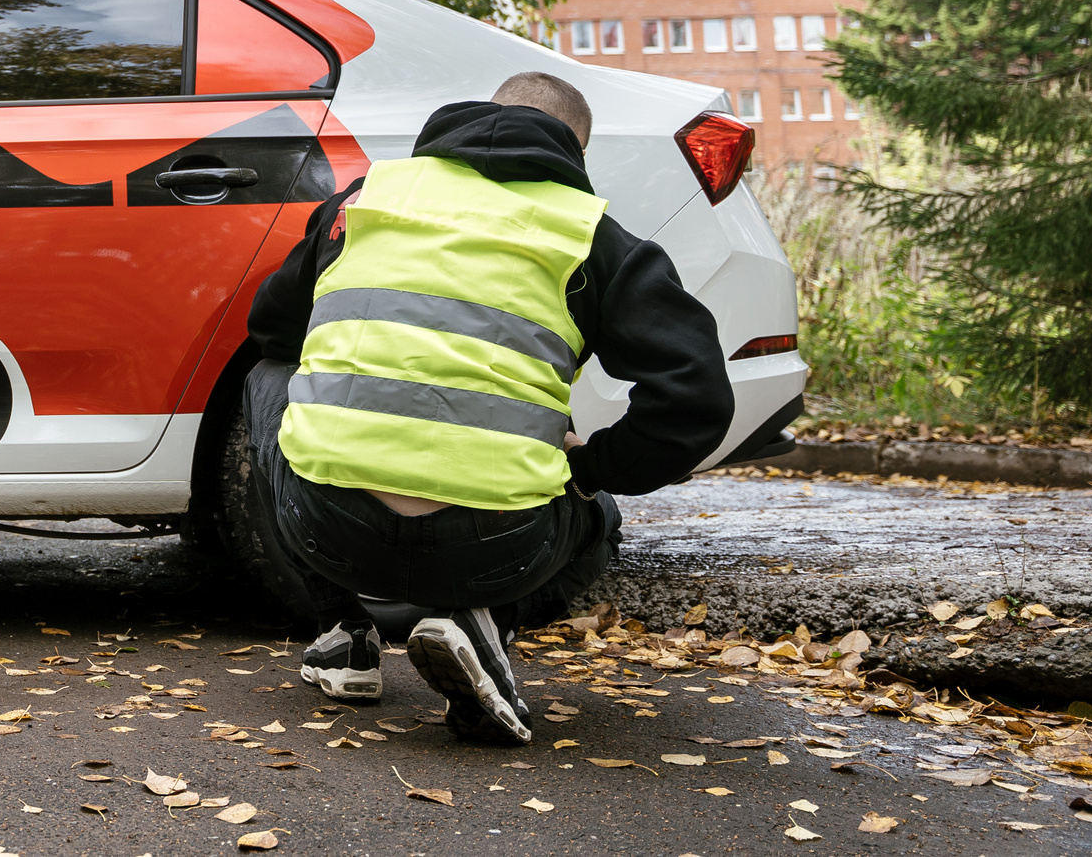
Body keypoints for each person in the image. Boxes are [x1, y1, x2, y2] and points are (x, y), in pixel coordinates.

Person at [241, 71, 733, 744]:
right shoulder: (587, 233)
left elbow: (270, 329)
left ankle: (342, 631)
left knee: (268, 376)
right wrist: (592, 468)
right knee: (600, 515)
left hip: (327, 526)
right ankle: (486, 624)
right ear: (570, 151)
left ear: (471, 119)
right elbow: (696, 397)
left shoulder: (363, 200)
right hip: (500, 549)